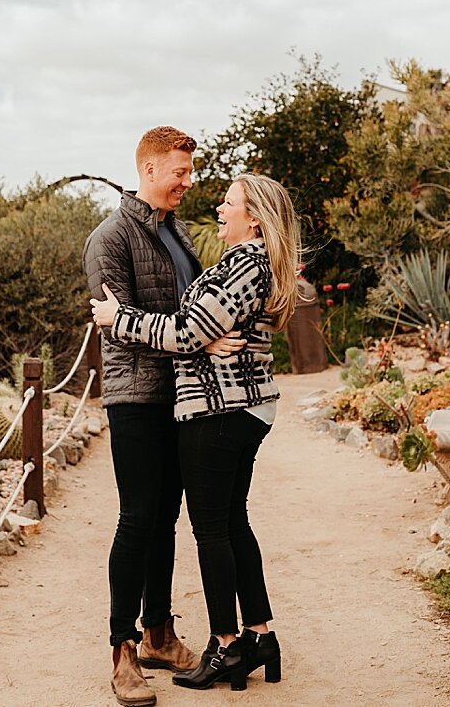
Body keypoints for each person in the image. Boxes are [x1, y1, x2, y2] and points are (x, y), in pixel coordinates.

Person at [91, 172, 298, 692]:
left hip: (221, 408)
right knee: (231, 523)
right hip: (237, 406)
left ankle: (226, 646)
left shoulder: (244, 263)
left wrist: (119, 319)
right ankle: (260, 635)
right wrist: (204, 340)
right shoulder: (251, 262)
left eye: (229, 203)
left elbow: (187, 330)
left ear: (254, 217)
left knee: (211, 531)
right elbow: (201, 330)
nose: (218, 208)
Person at [84, 126, 213, 707]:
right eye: (179, 171)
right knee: (137, 518)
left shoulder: (177, 232)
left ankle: (160, 631)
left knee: (167, 517)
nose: (188, 181)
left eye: (191, 170)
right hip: (135, 396)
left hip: (183, 397)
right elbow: (118, 322)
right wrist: (197, 343)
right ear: (149, 169)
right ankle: (122, 649)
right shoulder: (109, 237)